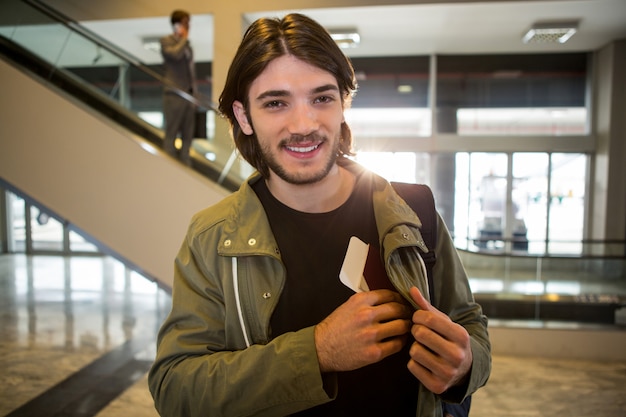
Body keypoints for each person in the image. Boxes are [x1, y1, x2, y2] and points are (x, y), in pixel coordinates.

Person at [149, 13, 491, 417]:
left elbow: (470, 326)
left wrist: (467, 365)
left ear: (344, 104)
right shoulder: (212, 236)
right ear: (244, 117)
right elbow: (174, 388)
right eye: (276, 103)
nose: (304, 124)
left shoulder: (413, 211)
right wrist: (317, 352)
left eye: (322, 98)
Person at [160, 9, 196, 165]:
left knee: (188, 133)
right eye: (184, 22)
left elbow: (191, 70)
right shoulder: (166, 41)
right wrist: (182, 39)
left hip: (188, 95)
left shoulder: (188, 46)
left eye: (188, 23)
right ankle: (169, 162)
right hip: (174, 93)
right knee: (172, 131)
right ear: (176, 24)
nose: (188, 26)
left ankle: (185, 161)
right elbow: (174, 55)